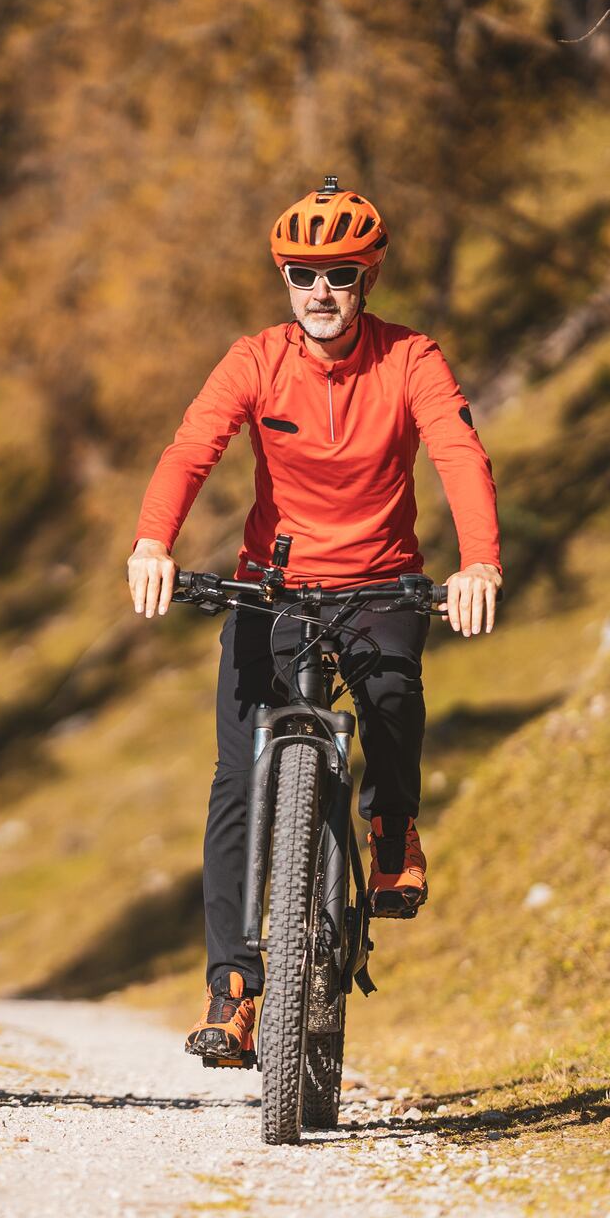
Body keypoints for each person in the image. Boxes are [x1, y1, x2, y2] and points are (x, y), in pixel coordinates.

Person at [125, 178, 503, 1066]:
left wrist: (478, 560)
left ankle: (392, 822)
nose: (319, 291)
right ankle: (232, 991)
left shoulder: (411, 358)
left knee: (394, 694)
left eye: (338, 273)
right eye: (302, 273)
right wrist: (152, 543)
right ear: (284, 278)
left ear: (366, 277)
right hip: (274, 588)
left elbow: (457, 451)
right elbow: (192, 448)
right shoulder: (255, 358)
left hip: (380, 582)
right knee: (234, 778)